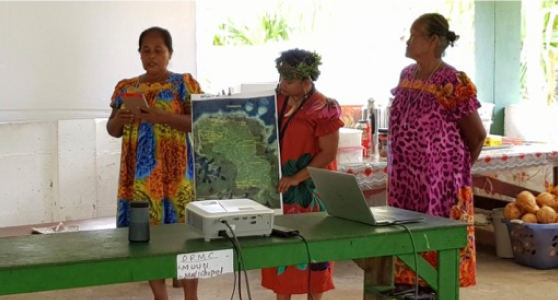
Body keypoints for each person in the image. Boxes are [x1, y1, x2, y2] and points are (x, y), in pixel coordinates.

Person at [388, 13, 487, 289]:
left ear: (433, 41)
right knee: (406, 253)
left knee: (437, 262)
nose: (408, 41)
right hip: (405, 184)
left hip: (439, 188)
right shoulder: (407, 75)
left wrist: (454, 173)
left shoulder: (452, 81)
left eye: (415, 34)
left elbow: (477, 136)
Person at [106, 26, 202, 300]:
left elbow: (197, 122)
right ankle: (160, 295)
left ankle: (191, 295)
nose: (152, 56)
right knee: (144, 237)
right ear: (139, 54)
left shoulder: (184, 83)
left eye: (158, 50)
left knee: (186, 235)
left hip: (177, 173)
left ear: (169, 53)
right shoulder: (126, 87)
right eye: (146, 50)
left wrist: (160, 116)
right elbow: (113, 130)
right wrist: (119, 121)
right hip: (140, 178)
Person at [261, 49, 344, 300]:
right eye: (281, 77)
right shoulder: (277, 98)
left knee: (313, 252)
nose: (281, 84)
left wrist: (297, 177)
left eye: (288, 79)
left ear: (306, 82)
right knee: (281, 249)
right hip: (282, 189)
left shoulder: (325, 107)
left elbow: (328, 153)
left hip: (311, 190)